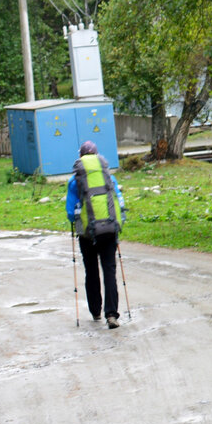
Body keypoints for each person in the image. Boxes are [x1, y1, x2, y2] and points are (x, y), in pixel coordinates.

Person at [66, 141, 126, 329]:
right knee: (109, 270)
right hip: (108, 230)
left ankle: (96, 311)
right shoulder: (110, 177)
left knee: (91, 271)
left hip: (87, 234)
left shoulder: (74, 180)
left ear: (81, 158)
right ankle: (111, 315)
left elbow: (70, 211)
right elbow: (119, 204)